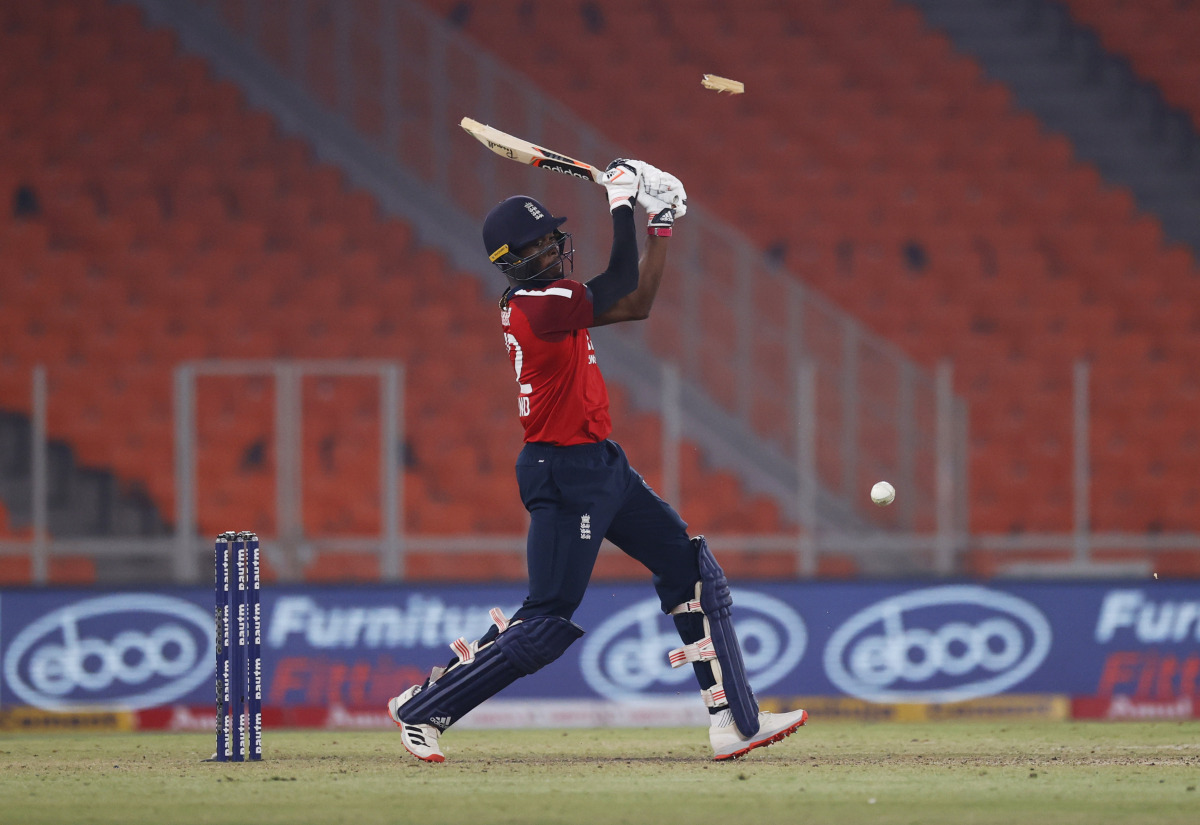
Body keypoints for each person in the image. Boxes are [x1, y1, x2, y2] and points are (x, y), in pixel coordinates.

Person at [387, 159, 807, 762]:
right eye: (541, 245)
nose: (556, 248)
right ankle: (425, 709)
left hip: (602, 465)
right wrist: (621, 201)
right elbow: (618, 277)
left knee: (688, 569)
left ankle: (733, 721)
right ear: (514, 259)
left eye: (553, 238)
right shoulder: (539, 306)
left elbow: (634, 303)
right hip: (563, 475)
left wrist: (660, 221)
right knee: (548, 620)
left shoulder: (554, 301)